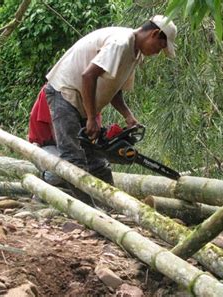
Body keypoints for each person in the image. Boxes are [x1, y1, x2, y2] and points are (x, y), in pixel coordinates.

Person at [43, 15, 177, 205]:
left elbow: (114, 89)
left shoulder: (134, 53)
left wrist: (128, 116)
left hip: (84, 102)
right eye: (160, 46)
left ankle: (109, 206)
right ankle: (89, 212)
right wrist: (91, 117)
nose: (157, 52)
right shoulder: (120, 43)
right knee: (73, 158)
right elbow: (88, 75)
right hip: (65, 93)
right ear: (154, 34)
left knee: (98, 162)